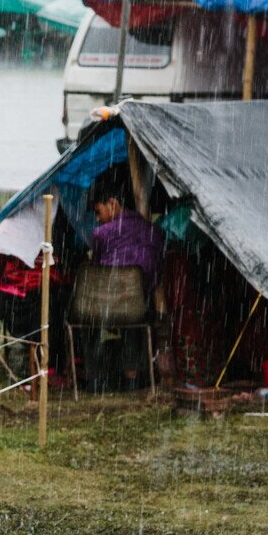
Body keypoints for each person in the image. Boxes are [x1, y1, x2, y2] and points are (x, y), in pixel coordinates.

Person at [73, 167, 165, 390]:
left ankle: (96, 377)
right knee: (134, 322)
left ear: (113, 204)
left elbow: (96, 273)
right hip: (137, 307)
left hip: (102, 308)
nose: (98, 219)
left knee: (88, 320)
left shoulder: (101, 234)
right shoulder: (154, 232)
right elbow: (157, 270)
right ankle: (132, 376)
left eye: (98, 212)